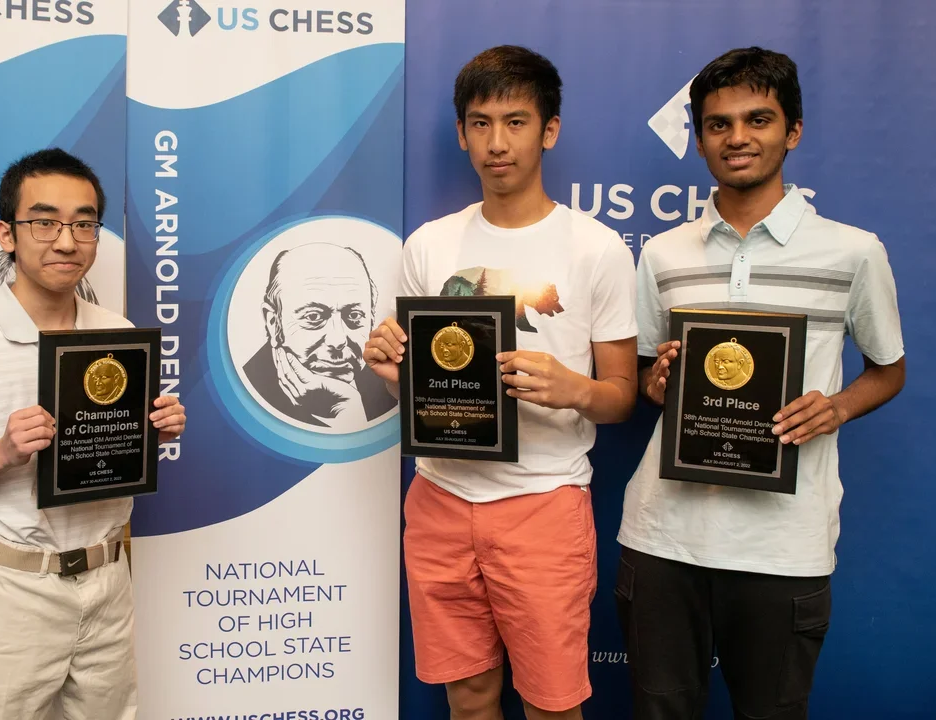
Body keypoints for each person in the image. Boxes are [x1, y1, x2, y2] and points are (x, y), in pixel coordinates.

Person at [616, 47, 906, 720]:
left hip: (785, 543)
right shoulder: (663, 253)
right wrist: (655, 380)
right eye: (718, 124)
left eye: (758, 119)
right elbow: (636, 370)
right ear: (699, 138)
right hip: (663, 538)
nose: (738, 137)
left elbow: (889, 371)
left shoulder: (854, 251)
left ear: (793, 129)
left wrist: (834, 407)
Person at [364, 46, 639, 719]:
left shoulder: (596, 248)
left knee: (551, 706)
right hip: (439, 499)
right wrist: (391, 368)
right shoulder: (429, 245)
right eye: (480, 124)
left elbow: (623, 394)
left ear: (549, 130)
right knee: (470, 699)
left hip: (543, 507)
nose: (496, 142)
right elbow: (424, 391)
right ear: (461, 134)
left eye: (515, 122)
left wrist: (572, 387)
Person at [0, 148, 187, 720]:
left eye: (84, 224)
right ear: (7, 235)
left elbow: (108, 447)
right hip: (16, 592)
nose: (66, 240)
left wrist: (149, 433)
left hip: (109, 581)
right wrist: (2, 454)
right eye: (45, 221)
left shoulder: (119, 335)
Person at [242, 241, 396, 430]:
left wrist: (345, 407)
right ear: (273, 323)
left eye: (354, 316)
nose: (338, 340)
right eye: (313, 317)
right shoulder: (248, 394)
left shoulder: (389, 390)